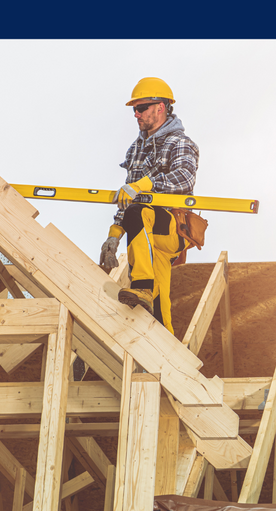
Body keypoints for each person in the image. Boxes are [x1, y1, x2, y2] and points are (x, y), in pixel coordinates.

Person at [99, 77, 200, 335]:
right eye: (135, 109)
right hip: (144, 235)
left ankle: (142, 284)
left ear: (161, 108)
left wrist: (144, 185)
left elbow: (184, 179)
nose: (136, 114)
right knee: (157, 305)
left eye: (142, 108)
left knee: (139, 211)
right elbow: (127, 196)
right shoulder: (136, 150)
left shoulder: (181, 143)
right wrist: (114, 235)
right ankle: (170, 354)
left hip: (171, 229)